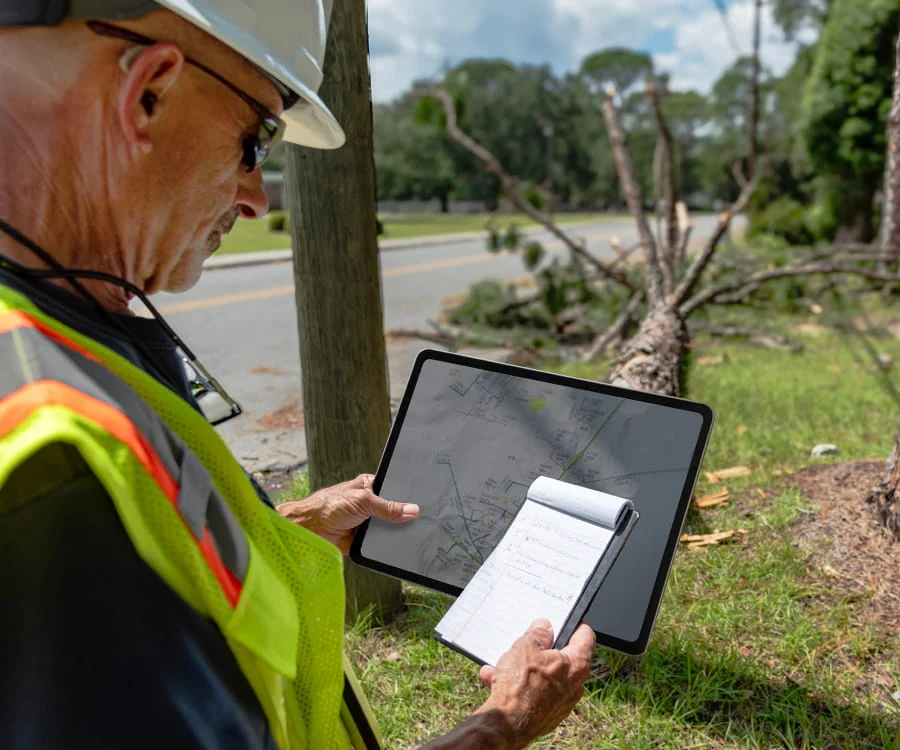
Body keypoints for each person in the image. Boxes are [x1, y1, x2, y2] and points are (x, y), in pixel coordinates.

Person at [0, 2, 596, 748]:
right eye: (254, 142)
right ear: (148, 91)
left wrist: (285, 531)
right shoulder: (58, 473)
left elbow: (159, 583)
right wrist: (503, 724)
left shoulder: (54, 328)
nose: (255, 196)